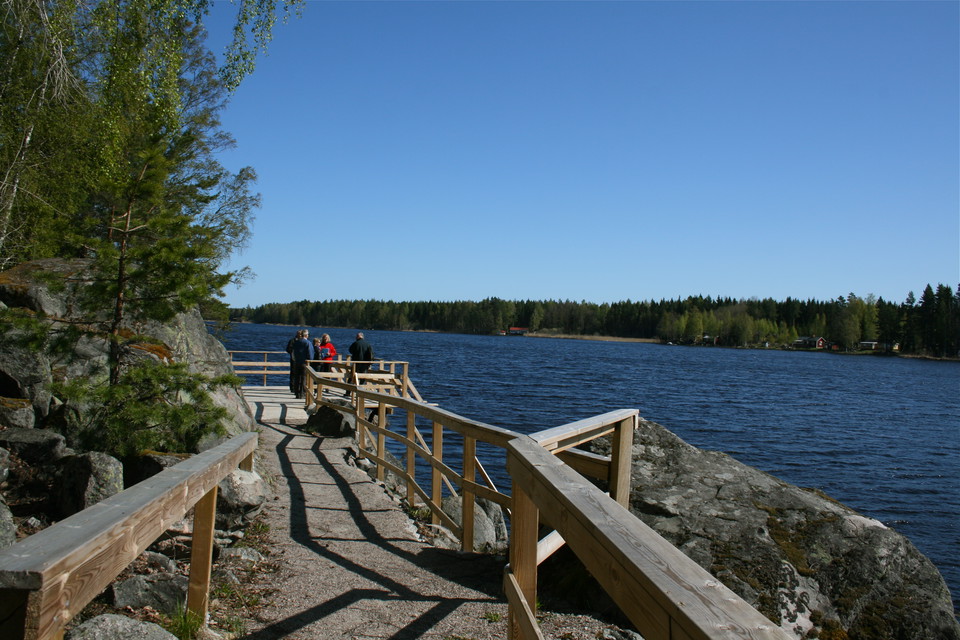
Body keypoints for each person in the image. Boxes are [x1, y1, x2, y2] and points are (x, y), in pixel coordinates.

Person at [290, 329, 314, 398]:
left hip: (297, 362)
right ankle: (302, 393)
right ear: (306, 335)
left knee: (297, 378)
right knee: (304, 378)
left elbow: (293, 352)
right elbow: (310, 353)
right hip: (305, 362)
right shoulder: (308, 343)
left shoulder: (296, 342)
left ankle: (297, 393)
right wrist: (310, 361)